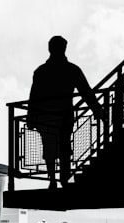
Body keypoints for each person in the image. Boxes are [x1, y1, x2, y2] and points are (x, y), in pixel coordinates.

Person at [28, 36, 104, 189]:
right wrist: (97, 109)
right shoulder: (72, 69)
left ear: (50, 48)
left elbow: (34, 96)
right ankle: (63, 179)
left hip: (46, 117)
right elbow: (86, 92)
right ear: (64, 48)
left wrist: (31, 117)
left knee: (49, 147)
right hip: (64, 116)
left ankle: (53, 180)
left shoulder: (41, 71)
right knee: (64, 147)